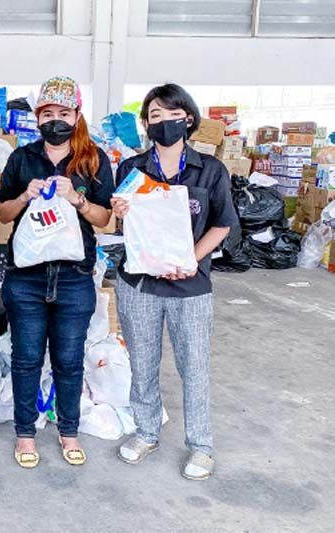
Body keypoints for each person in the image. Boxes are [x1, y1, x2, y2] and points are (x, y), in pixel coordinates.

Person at [111, 83, 238, 481]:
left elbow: (222, 225)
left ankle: (201, 445)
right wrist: (119, 211)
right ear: (146, 125)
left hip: (190, 286)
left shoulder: (210, 170)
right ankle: (146, 432)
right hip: (139, 284)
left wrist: (190, 260)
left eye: (172, 114)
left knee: (194, 366)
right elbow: (122, 225)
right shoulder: (131, 169)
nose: (164, 122)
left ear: (188, 119)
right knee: (142, 363)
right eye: (155, 116)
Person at [0, 76, 114, 468]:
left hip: (74, 277)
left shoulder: (93, 159)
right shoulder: (21, 158)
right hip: (27, 277)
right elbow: (3, 213)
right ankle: (25, 434)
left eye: (63, 113)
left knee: (69, 359)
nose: (55, 120)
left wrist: (76, 198)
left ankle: (69, 431)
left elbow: (105, 219)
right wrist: (24, 196)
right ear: (37, 118)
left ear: (77, 115)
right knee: (26, 358)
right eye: (47, 114)